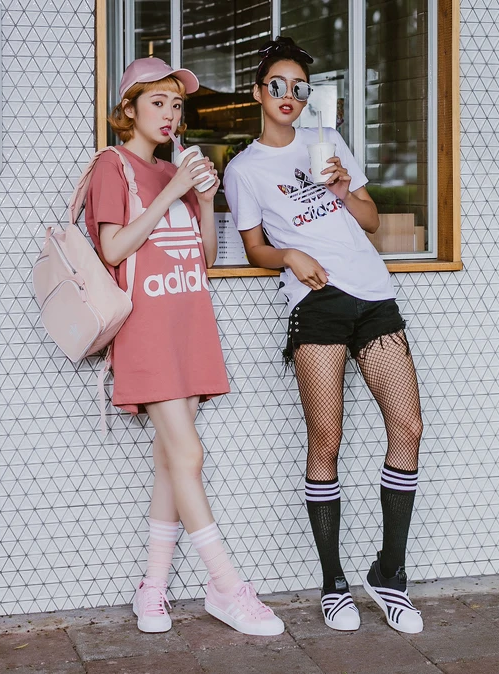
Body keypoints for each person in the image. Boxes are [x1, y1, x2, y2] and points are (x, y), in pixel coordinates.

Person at [223, 37, 424, 634]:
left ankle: (389, 573)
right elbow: (254, 248)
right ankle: (333, 583)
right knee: (325, 440)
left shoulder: (327, 142)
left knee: (408, 426)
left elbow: (371, 218)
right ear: (258, 93)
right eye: (277, 86)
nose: (288, 95)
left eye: (299, 88)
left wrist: (341, 191)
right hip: (317, 304)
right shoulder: (244, 169)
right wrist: (289, 255)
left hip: (373, 294)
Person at [84, 56, 284, 637]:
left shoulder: (175, 169)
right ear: (128, 110)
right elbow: (113, 249)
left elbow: (206, 257)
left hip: (189, 323)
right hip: (146, 331)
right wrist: (172, 189)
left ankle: (152, 588)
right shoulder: (112, 166)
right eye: (157, 103)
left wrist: (203, 200)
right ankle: (226, 586)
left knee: (172, 461)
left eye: (176, 104)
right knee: (188, 454)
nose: (170, 113)